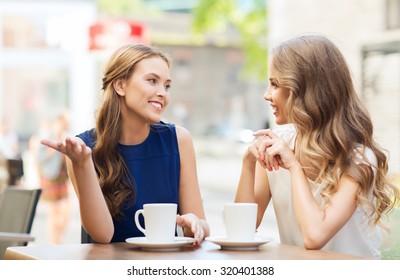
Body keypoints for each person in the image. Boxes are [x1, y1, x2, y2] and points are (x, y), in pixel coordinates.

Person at [235, 34, 399, 259]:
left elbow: (314, 236)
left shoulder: (358, 159)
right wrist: (248, 163)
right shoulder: (277, 145)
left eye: (275, 84)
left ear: (305, 90)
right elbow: (241, 230)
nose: (267, 95)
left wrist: (294, 166)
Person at [41, 44, 210, 245]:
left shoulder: (179, 140)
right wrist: (83, 164)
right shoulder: (83, 150)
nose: (162, 93)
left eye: (166, 85)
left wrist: (194, 223)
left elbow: (202, 225)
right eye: (152, 81)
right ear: (120, 85)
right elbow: (103, 235)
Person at [37, 114, 71, 244]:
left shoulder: (66, 138)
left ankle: (58, 238)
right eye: (63, 123)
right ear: (58, 122)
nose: (65, 125)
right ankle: (55, 242)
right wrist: (50, 152)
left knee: (64, 214)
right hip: (50, 177)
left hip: (62, 179)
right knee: (53, 213)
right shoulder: (47, 138)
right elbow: (39, 159)